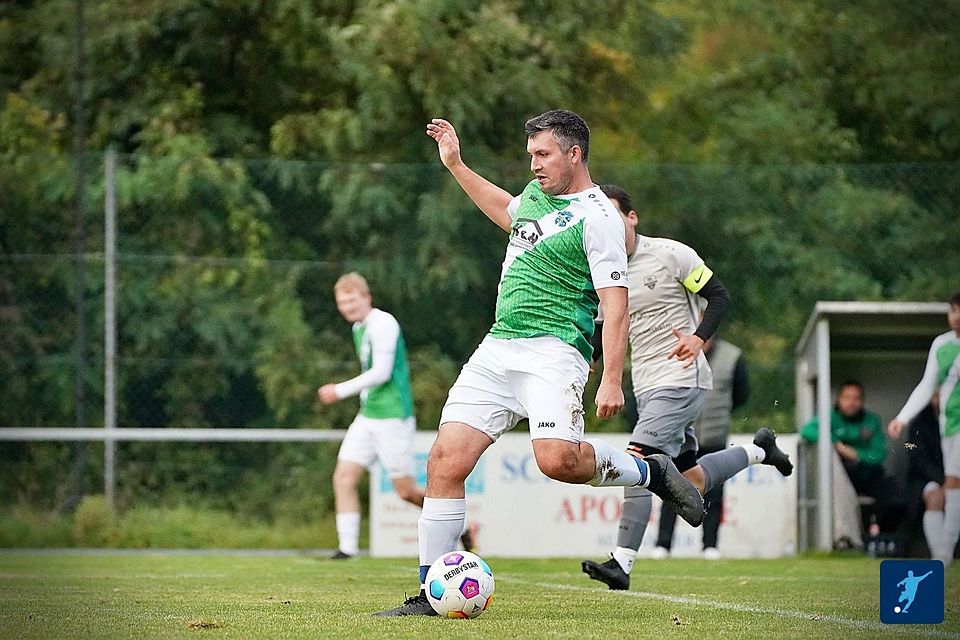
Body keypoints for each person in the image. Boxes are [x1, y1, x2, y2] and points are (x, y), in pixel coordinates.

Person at [374, 110, 704, 617]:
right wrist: (457, 165)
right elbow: (508, 211)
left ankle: (650, 471)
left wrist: (612, 378)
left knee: (557, 462)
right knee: (445, 461)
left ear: (575, 154)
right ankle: (428, 593)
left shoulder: (600, 218)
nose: (534, 164)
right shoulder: (534, 196)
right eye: (530, 155)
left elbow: (615, 303)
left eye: (543, 154)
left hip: (555, 352)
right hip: (498, 347)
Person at [580, 184, 792, 591]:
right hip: (647, 386)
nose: (605, 225)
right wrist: (589, 362)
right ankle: (760, 449)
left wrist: (697, 337)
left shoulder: (670, 254)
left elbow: (719, 295)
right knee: (690, 477)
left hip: (682, 378)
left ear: (632, 217)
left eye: (612, 215)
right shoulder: (604, 270)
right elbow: (603, 328)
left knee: (637, 460)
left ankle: (622, 563)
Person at [318, 272, 475, 559]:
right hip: (368, 416)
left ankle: (461, 526)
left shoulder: (384, 323)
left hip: (392, 416)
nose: (348, 307)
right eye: (342, 302)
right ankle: (347, 549)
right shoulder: (358, 327)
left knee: (405, 491)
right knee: (343, 477)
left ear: (367, 297)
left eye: (352, 300)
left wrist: (338, 391)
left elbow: (382, 372)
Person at [654, 333, 750, 559]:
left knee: (714, 493)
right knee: (671, 490)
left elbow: (741, 395)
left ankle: (710, 546)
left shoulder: (732, 356)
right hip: (681, 436)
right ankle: (663, 545)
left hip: (714, 438)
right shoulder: (676, 350)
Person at [888, 291, 960, 566]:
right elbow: (926, 384)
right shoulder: (941, 345)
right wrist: (903, 417)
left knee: (953, 481)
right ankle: (944, 551)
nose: (956, 315)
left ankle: (944, 552)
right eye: (953, 309)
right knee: (952, 483)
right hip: (950, 427)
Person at [800, 380, 899, 547]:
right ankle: (849, 541)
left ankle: (882, 540)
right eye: (847, 397)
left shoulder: (871, 421)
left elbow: (878, 455)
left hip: (868, 473)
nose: (851, 403)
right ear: (838, 399)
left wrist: (855, 454)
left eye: (856, 398)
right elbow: (807, 431)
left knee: (897, 501)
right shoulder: (830, 417)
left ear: (862, 401)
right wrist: (836, 444)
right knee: (842, 495)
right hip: (844, 475)